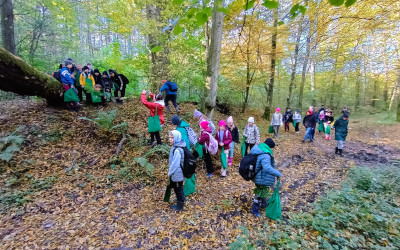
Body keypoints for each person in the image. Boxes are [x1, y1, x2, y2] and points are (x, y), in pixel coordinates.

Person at [250, 138, 282, 217]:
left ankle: (264, 204)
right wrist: (278, 174)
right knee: (259, 193)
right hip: (261, 177)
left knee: (263, 191)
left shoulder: (259, 149)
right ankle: (254, 210)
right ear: (269, 147)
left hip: (258, 176)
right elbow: (267, 168)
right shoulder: (265, 154)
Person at [168, 130, 186, 211]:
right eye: (169, 137)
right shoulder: (177, 146)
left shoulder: (177, 150)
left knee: (177, 189)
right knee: (180, 187)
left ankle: (180, 206)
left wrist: (170, 172)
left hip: (177, 173)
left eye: (172, 138)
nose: (170, 139)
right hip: (179, 172)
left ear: (177, 138)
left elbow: (175, 164)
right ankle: (182, 198)